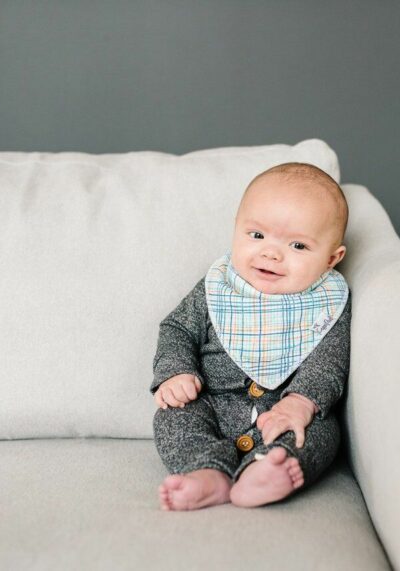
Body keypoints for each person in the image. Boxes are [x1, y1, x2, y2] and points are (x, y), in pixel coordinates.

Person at [150, 161, 351, 510]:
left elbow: (331, 358)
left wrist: (302, 401)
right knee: (172, 415)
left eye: (298, 246)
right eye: (256, 235)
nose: (271, 253)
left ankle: (268, 471)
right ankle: (207, 472)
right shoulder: (219, 287)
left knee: (321, 432)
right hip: (211, 403)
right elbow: (178, 328)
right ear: (236, 229)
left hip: (284, 410)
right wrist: (176, 371)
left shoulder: (327, 302)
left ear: (332, 258)